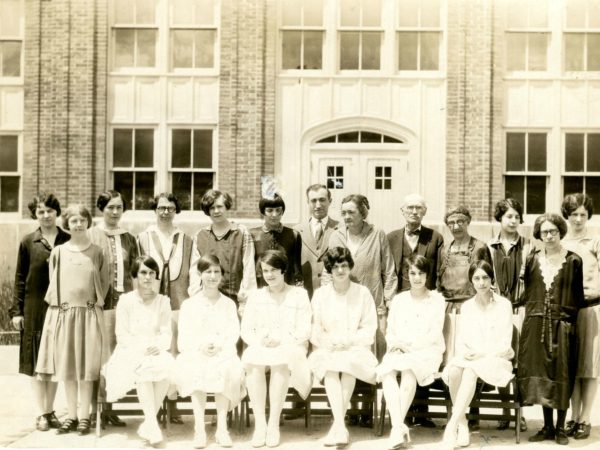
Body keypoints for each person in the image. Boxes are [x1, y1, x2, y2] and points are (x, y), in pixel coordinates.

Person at [323, 194, 397, 427]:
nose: (346, 217)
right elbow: (329, 269)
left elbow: (389, 271)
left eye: (351, 212)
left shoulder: (377, 235)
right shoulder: (336, 235)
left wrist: (388, 304)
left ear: (363, 212)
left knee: (368, 356)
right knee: (343, 356)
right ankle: (346, 410)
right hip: (342, 304)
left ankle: (365, 410)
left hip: (372, 305)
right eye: (343, 212)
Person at [36, 204, 109, 436]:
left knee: (87, 368)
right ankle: (72, 416)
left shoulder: (97, 252)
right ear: (67, 224)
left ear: (88, 222)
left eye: (82, 220)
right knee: (68, 369)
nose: (78, 224)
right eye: (74, 220)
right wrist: (61, 307)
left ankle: (85, 416)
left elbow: (104, 283)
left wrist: (93, 303)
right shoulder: (59, 252)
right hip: (66, 316)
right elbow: (54, 282)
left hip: (89, 316)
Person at [518, 213, 584, 445]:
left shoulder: (574, 260)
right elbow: (527, 292)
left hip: (563, 324)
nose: (549, 236)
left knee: (561, 373)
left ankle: (560, 429)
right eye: (544, 232)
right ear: (538, 235)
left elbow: (577, 297)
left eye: (553, 231)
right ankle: (546, 427)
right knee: (543, 374)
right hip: (536, 323)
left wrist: (565, 320)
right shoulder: (532, 259)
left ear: (560, 232)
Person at [137, 192, 200, 422]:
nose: (165, 212)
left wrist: (191, 298)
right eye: (161, 207)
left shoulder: (186, 239)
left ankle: (173, 405)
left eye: (170, 208)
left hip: (178, 302)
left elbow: (194, 269)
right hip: (151, 304)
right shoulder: (143, 237)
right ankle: (152, 410)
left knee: (174, 352)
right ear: (155, 210)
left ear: (176, 211)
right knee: (153, 352)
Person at [10, 193, 70, 431]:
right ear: (35, 214)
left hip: (61, 307)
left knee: (54, 362)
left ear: (58, 213)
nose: (46, 216)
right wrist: (16, 312)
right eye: (41, 212)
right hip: (34, 307)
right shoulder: (28, 242)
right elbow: (20, 278)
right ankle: (41, 413)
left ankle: (51, 409)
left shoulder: (67, 239)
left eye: (50, 211)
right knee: (37, 361)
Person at [241, 250, 312, 448]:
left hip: (291, 346)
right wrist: (260, 340)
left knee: (281, 363)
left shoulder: (299, 295)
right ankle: (260, 425)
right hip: (262, 346)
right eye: (265, 271)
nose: (269, 275)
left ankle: (273, 424)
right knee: (254, 365)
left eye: (274, 270)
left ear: (283, 270)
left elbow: (305, 329)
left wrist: (280, 340)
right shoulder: (256, 296)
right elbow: (246, 330)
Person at [441, 261, 514, 449]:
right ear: (471, 281)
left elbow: (505, 344)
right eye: (476, 278)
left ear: (492, 279)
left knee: (470, 371)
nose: (481, 282)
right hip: (471, 358)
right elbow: (462, 340)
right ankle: (463, 425)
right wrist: (467, 352)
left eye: (485, 278)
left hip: (497, 359)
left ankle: (452, 425)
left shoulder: (504, 305)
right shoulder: (467, 306)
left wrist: (481, 353)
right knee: (455, 370)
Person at [309, 247, 378, 446]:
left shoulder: (362, 293)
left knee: (348, 366)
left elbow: (369, 327)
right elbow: (316, 328)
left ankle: (338, 427)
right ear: (330, 269)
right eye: (336, 266)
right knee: (331, 368)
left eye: (344, 265)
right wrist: (329, 343)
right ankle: (340, 426)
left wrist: (348, 341)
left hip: (355, 348)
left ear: (350, 267)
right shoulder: (321, 295)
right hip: (327, 349)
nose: (340, 270)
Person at [102, 256, 174, 445]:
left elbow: (167, 333)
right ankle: (152, 423)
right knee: (142, 369)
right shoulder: (126, 300)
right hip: (129, 351)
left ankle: (149, 424)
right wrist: (141, 348)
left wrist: (158, 346)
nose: (148, 277)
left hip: (155, 350)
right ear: (135, 275)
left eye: (152, 273)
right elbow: (122, 335)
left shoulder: (163, 301)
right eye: (143, 272)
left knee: (168, 367)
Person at [175, 255, 244, 449]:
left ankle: (222, 428)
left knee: (227, 367)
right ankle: (199, 428)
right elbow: (185, 336)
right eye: (208, 272)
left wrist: (219, 346)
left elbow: (233, 334)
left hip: (223, 351)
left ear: (221, 275)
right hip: (196, 351)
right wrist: (201, 347)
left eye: (216, 272)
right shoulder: (189, 305)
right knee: (196, 367)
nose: (212, 276)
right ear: (200, 274)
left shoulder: (229, 304)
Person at [377, 254, 445, 449]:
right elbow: (390, 331)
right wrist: (397, 345)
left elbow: (434, 333)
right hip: (400, 349)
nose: (416, 278)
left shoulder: (436, 300)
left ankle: (396, 428)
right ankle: (398, 428)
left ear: (427, 275)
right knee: (387, 372)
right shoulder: (399, 300)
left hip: (427, 351)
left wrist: (409, 347)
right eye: (412, 273)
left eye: (421, 273)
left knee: (408, 372)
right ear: (407, 274)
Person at [387, 193, 443, 428]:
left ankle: (421, 413)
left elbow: (438, 269)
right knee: (401, 359)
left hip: (425, 298)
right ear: (402, 211)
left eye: (419, 208)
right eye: (409, 207)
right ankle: (404, 417)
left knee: (419, 355)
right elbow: (388, 268)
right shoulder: (391, 237)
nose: (414, 212)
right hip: (401, 298)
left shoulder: (435, 237)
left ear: (424, 212)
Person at [438, 206, 492, 430]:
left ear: (468, 221)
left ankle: (474, 414)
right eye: (451, 222)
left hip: (472, 307)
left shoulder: (480, 247)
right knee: (451, 361)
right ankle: (454, 415)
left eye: (460, 221)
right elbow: (437, 280)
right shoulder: (444, 249)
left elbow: (487, 279)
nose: (456, 226)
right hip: (449, 309)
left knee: (472, 359)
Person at [89, 190, 139, 427]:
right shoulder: (90, 235)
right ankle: (94, 409)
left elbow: (136, 272)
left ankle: (110, 407)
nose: (115, 212)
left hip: (125, 305)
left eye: (119, 207)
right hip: (100, 306)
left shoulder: (129, 238)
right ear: (102, 208)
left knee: (120, 356)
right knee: (101, 356)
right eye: (110, 207)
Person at [488, 198, 530, 432]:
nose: (513, 221)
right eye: (508, 216)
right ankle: (505, 409)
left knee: (519, 363)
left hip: (520, 309)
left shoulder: (528, 245)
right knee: (500, 357)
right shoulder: (489, 246)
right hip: (497, 310)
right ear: (500, 218)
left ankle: (519, 413)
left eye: (516, 216)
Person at [561, 194, 600, 440]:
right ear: (567, 215)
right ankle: (573, 416)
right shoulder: (561, 241)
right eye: (573, 214)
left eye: (582, 214)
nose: (578, 219)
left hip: (591, 308)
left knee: (590, 366)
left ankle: (586, 418)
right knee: (572, 367)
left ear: (588, 216)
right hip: (568, 311)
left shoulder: (595, 241)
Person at [194, 190, 256, 312]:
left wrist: (245, 300)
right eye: (212, 208)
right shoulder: (200, 235)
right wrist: (196, 296)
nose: (216, 211)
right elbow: (194, 271)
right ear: (207, 210)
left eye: (220, 206)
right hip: (207, 301)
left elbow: (249, 268)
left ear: (226, 206)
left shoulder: (241, 233)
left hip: (235, 300)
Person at [294, 184, 339, 298]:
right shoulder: (296, 231)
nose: (318, 205)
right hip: (305, 296)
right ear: (308, 202)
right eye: (313, 200)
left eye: (322, 200)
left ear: (330, 201)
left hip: (334, 295)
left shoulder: (341, 229)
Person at [250, 194, 303, 288]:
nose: (274, 215)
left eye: (278, 210)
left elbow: (296, 268)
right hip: (261, 288)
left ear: (282, 211)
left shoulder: (293, 235)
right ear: (263, 212)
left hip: (286, 289)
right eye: (269, 210)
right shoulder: (253, 235)